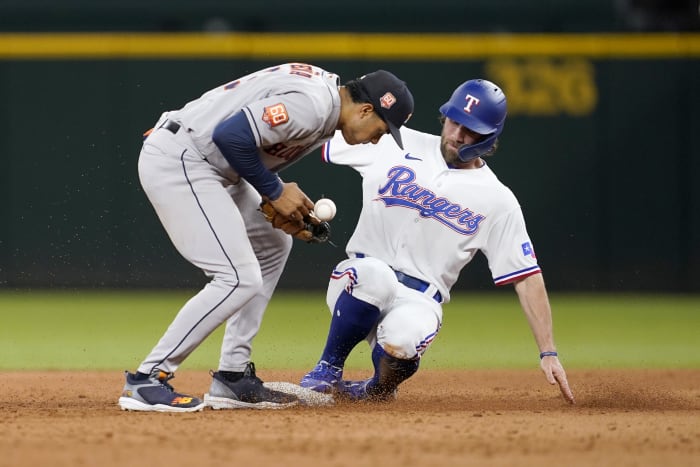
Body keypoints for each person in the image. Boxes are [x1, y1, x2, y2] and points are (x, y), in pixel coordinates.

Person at [118, 63, 414, 412]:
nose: (377, 139)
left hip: (212, 166)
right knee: (238, 277)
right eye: (381, 130)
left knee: (274, 244)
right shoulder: (314, 104)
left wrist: (279, 202)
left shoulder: (327, 111)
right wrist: (274, 191)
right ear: (366, 109)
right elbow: (230, 136)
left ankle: (232, 376)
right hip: (184, 159)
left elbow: (248, 146)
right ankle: (147, 378)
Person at [300, 79, 575, 404]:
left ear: (489, 138)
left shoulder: (498, 199)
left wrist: (549, 351)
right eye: (454, 121)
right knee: (377, 277)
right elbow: (321, 133)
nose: (457, 134)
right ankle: (326, 369)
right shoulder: (391, 139)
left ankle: (376, 391)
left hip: (419, 299)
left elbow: (526, 277)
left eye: (470, 130)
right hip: (359, 283)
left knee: (403, 341)